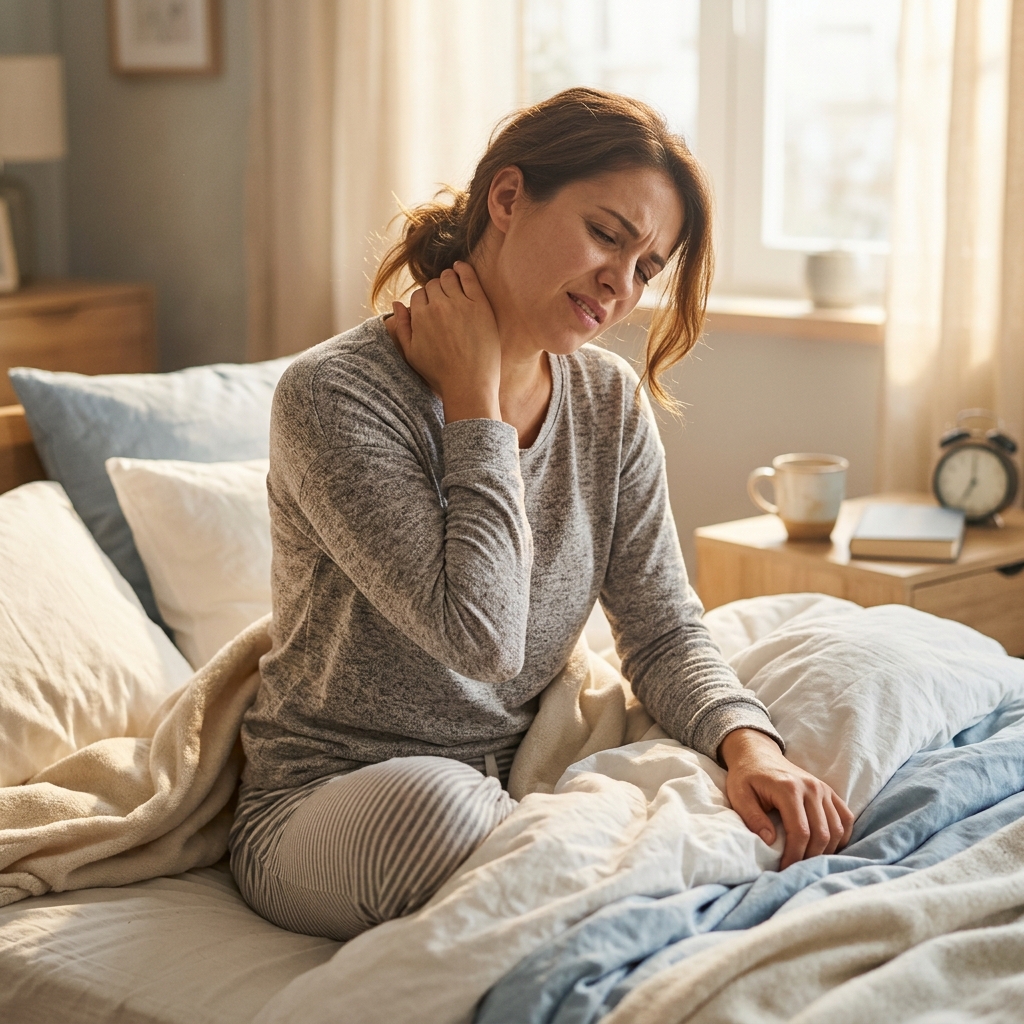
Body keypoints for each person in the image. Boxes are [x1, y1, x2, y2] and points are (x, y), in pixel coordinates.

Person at [229, 87, 853, 942]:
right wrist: (474, 403)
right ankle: (619, 872)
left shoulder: (609, 402)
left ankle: (609, 872)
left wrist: (751, 748)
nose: (621, 285)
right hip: (332, 800)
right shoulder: (333, 397)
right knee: (438, 813)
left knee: (848, 681)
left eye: (646, 269)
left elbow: (664, 629)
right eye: (607, 235)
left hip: (528, 772)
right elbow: (483, 640)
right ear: (510, 197)